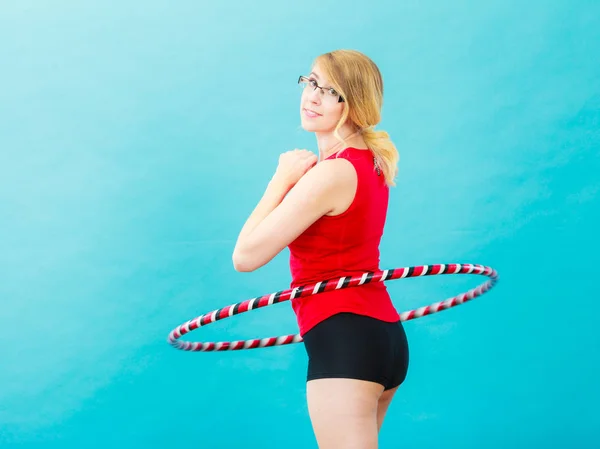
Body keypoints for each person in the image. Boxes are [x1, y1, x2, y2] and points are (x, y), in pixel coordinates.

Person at [232, 49, 409, 449]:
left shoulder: (331, 172)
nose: (311, 97)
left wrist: (280, 179)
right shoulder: (370, 162)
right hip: (382, 336)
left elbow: (245, 257)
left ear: (354, 103)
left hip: (344, 338)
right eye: (310, 82)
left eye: (330, 91)